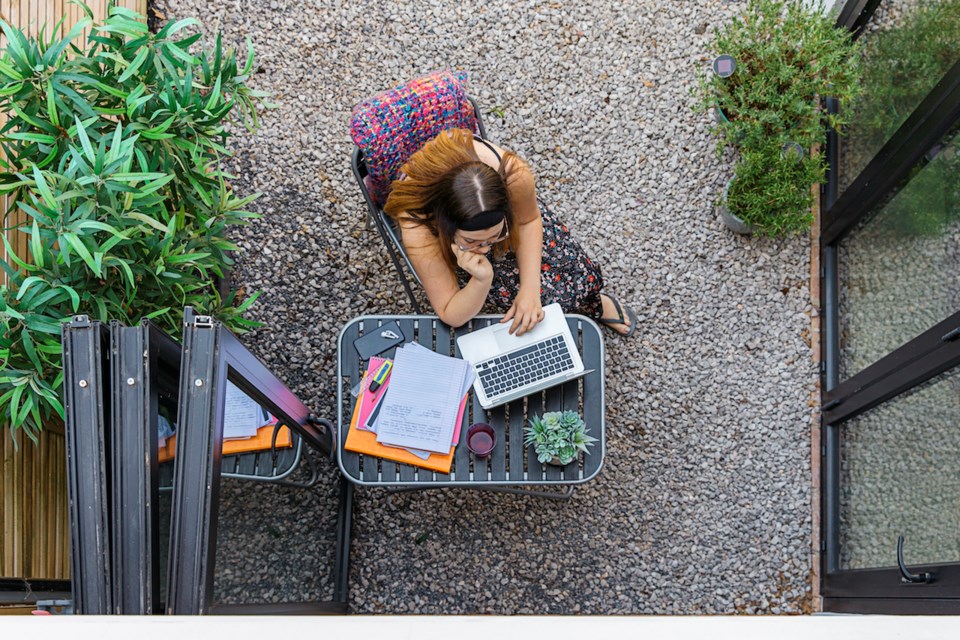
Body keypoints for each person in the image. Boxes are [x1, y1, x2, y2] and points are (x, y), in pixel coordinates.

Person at [383, 128, 637, 337]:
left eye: (494, 236)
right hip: (458, 248)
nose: (484, 249)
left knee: (575, 272)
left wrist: (530, 291)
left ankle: (592, 303)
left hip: (506, 228)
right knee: (521, 307)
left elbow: (528, 221)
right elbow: (450, 312)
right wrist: (482, 279)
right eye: (472, 240)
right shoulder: (418, 223)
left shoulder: (514, 176)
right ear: (443, 226)